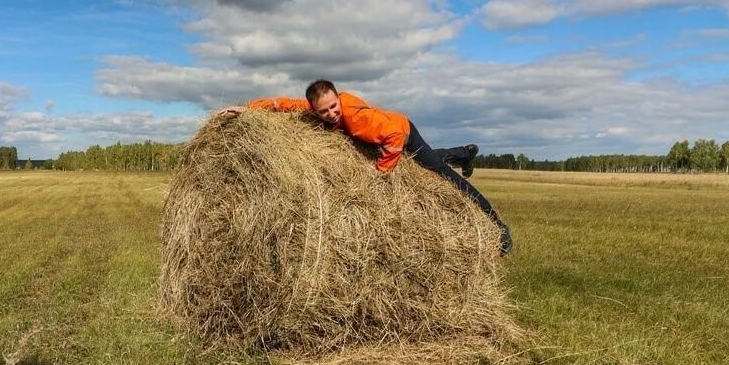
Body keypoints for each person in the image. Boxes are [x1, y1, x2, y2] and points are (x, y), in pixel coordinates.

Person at [220, 79, 513, 255]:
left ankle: (498, 227)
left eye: (334, 107)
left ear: (337, 99)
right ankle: (463, 153)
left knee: (443, 176)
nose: (331, 114)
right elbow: (286, 104)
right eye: (323, 112)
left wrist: (380, 173)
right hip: (385, 135)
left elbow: (394, 137)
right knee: (422, 165)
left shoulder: (360, 122)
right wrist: (250, 109)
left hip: (402, 132)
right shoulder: (319, 105)